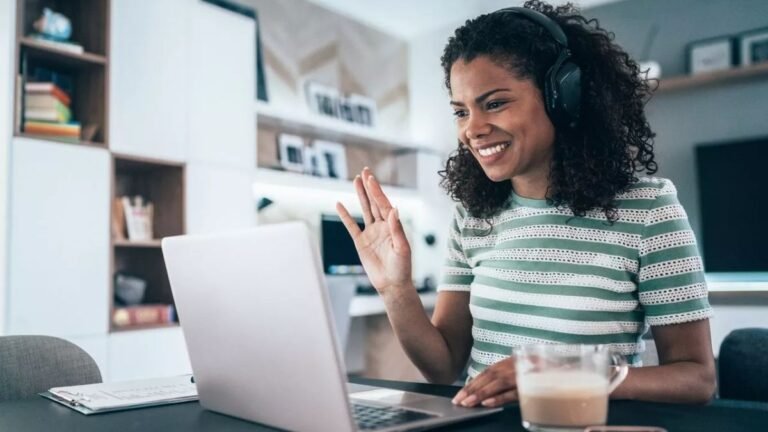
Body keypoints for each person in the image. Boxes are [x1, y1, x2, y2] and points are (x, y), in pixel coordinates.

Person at [335, 0, 716, 408]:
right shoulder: (473, 218)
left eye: (495, 103)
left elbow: (696, 377)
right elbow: (444, 367)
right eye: (461, 111)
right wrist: (396, 291)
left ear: (562, 97)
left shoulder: (649, 210)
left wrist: (569, 377)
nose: (473, 130)